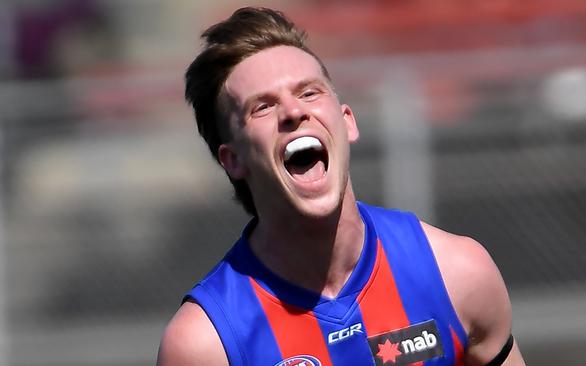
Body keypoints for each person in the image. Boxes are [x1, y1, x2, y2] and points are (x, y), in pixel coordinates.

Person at [157, 7, 525, 366]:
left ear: (347, 122)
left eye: (309, 93)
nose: (293, 111)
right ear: (232, 159)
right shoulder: (205, 344)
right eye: (263, 107)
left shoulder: (458, 273)